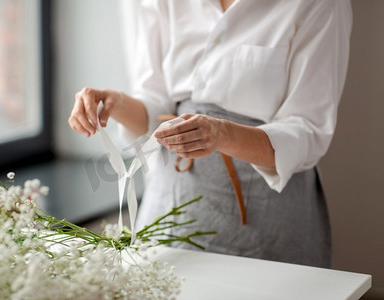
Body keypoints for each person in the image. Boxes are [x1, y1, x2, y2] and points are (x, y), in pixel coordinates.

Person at [69, 0, 352, 268]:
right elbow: (156, 104)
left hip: (267, 213)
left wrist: (222, 134)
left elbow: (307, 130)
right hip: (172, 198)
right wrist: (115, 103)